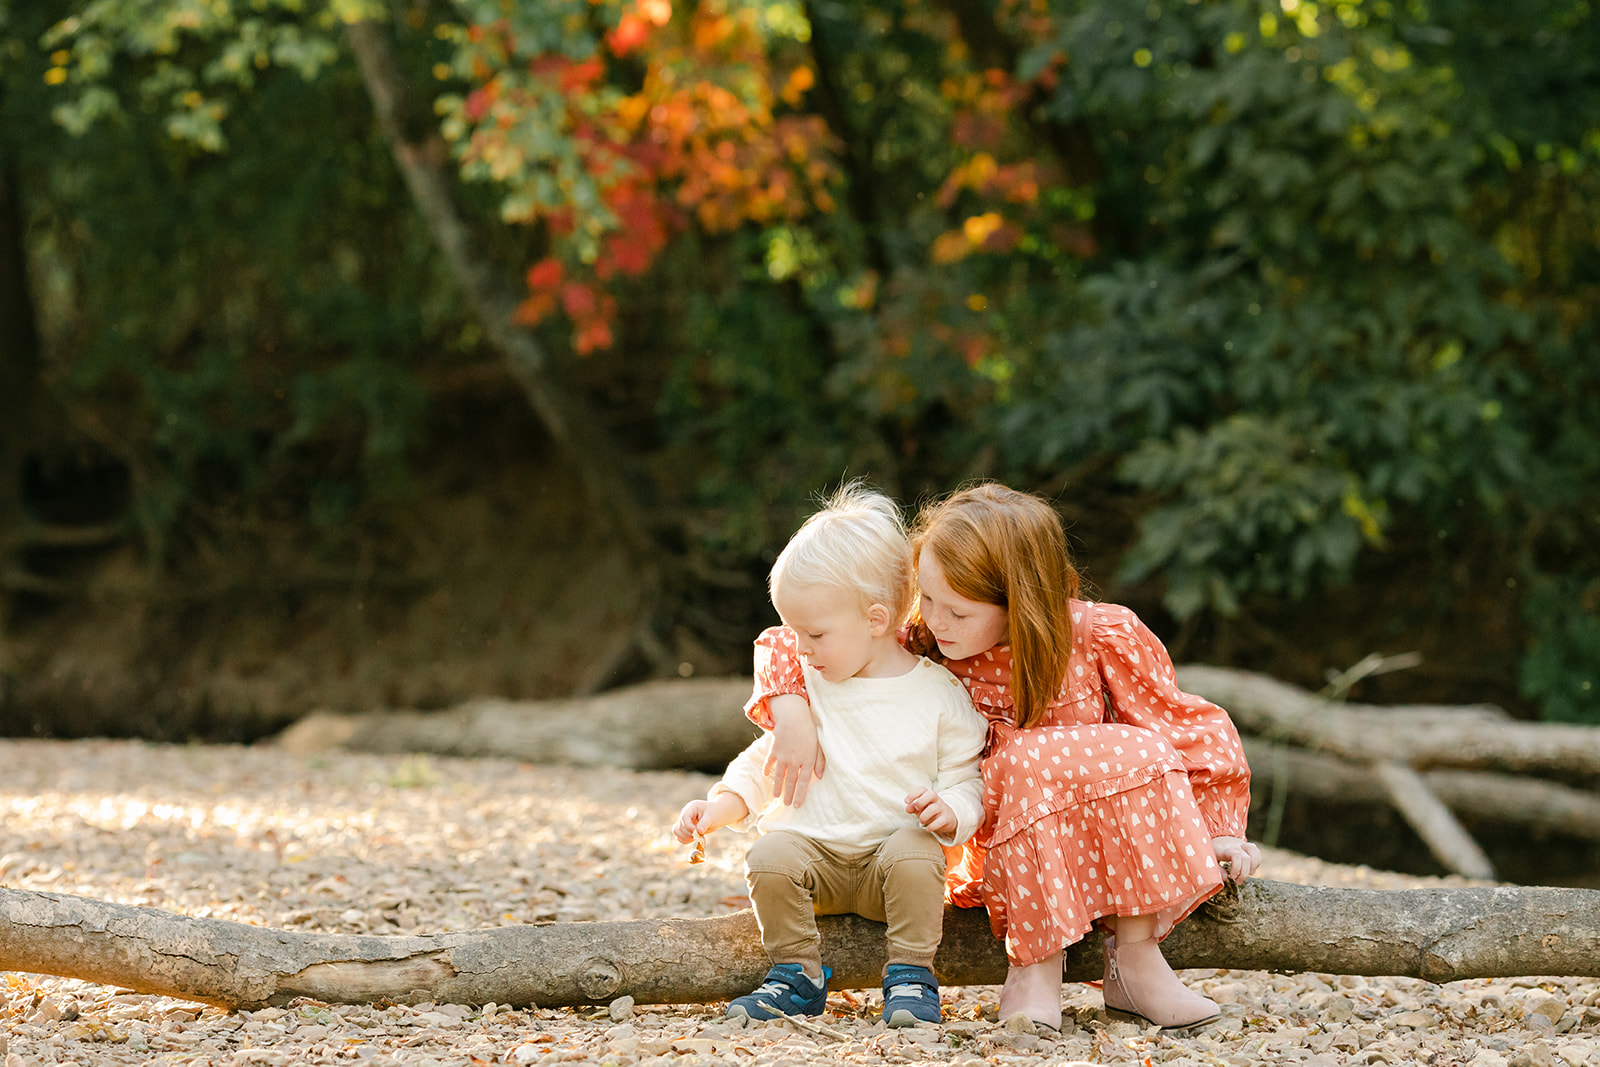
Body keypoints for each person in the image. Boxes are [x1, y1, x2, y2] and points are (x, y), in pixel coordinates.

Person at [748, 482, 1260, 1032]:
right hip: (993, 850)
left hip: (1099, 852)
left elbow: (1184, 728)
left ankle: (1135, 961)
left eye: (958, 612)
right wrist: (791, 708)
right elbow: (792, 633)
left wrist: (1220, 827)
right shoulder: (928, 638)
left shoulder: (1097, 636)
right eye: (928, 600)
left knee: (1130, 747)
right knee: (1020, 761)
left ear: (1018, 602)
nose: (935, 621)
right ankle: (1033, 964)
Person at [673, 484, 988, 1027]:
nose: (799, 649)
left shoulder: (939, 693)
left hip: (888, 867)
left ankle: (912, 977)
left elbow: (968, 774)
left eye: (814, 634)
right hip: (814, 865)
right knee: (770, 855)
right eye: (795, 633)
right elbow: (765, 763)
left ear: (875, 619)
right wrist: (718, 807)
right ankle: (797, 975)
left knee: (917, 851)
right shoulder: (808, 687)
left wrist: (953, 810)